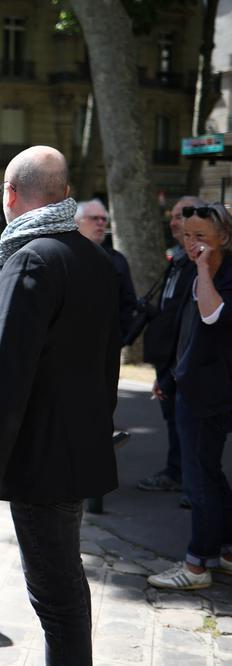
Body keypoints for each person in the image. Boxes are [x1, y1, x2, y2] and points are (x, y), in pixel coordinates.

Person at [0, 146, 119, 665]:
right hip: (73, 449)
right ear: (65, 195)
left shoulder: (30, 259)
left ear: (9, 194)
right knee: (64, 588)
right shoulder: (92, 255)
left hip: (41, 458)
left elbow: (8, 380)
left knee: (56, 595)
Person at [147, 203, 232, 590]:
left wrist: (203, 268)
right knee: (208, 474)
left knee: (199, 480)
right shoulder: (187, 268)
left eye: (201, 237)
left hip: (211, 393)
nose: (191, 243)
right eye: (187, 235)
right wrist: (169, 374)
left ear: (224, 240)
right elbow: (183, 330)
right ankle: (223, 550)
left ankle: (197, 565)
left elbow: (214, 317)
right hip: (189, 383)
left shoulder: (221, 272)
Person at [138, 196, 202, 495]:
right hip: (169, 359)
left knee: (189, 429)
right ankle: (180, 476)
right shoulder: (177, 260)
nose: (176, 222)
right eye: (174, 216)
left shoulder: (199, 264)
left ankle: (192, 486)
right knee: (176, 425)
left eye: (184, 215)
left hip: (185, 363)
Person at [76, 199, 138, 342]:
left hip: (107, 341)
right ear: (77, 222)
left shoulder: (117, 260)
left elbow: (128, 303)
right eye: (94, 218)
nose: (101, 223)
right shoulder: (63, 254)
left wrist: (117, 337)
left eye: (104, 219)